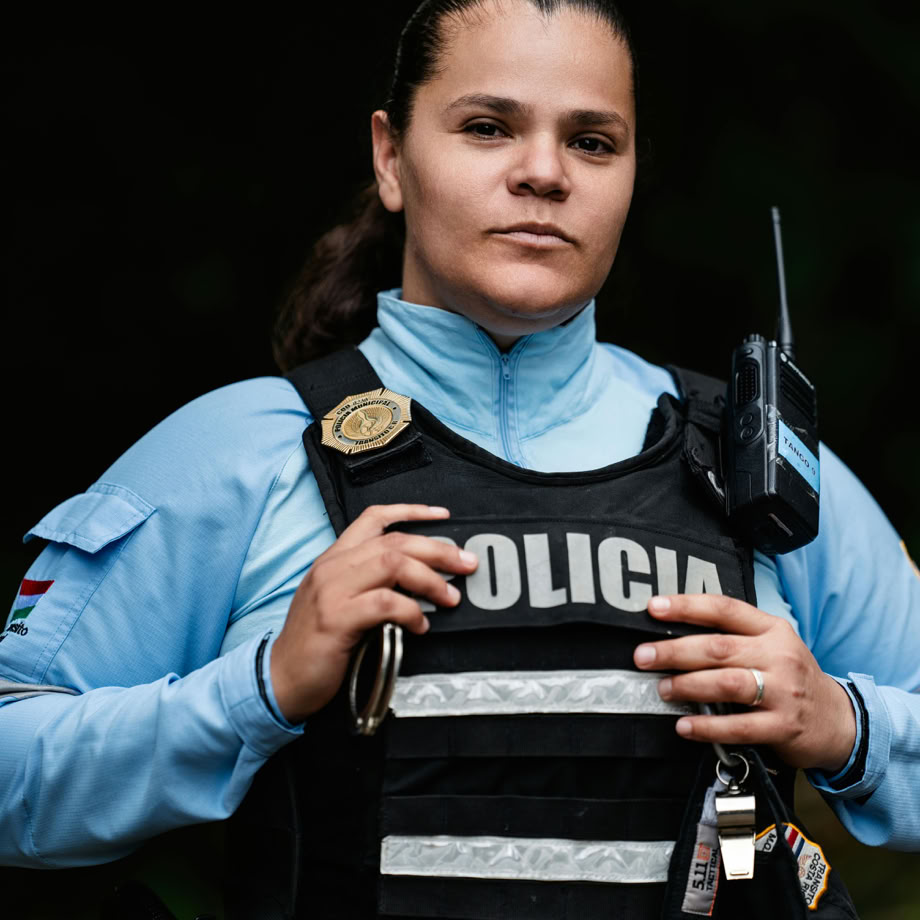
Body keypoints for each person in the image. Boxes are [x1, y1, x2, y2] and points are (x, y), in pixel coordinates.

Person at [1, 0, 918, 916]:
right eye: (488, 127)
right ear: (390, 157)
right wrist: (261, 688)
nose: (545, 173)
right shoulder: (247, 451)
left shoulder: (761, 468)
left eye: (593, 142)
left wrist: (843, 726)